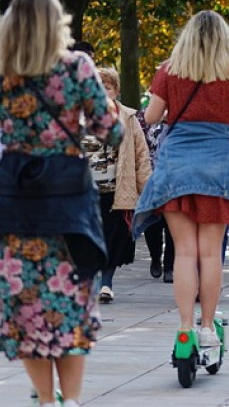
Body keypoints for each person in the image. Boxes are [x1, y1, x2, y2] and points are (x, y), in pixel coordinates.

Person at [0, 0, 122, 407]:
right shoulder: (77, 68)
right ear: (58, 24)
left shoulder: (4, 71)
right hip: (69, 199)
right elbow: (113, 130)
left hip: (16, 201)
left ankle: (47, 403)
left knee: (27, 302)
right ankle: (69, 401)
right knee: (71, 298)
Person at [134, 10, 229, 348]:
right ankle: (207, 327)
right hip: (217, 168)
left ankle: (184, 327)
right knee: (210, 254)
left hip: (176, 166)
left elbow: (150, 117)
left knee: (183, 252)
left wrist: (176, 111)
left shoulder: (168, 71)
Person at [83, 68, 151, 304]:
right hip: (85, 191)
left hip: (117, 190)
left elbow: (142, 156)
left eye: (108, 87)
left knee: (114, 238)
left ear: (117, 91)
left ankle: (107, 284)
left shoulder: (128, 118)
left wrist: (147, 190)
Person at [137, 107, 175, 283]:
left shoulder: (180, 111)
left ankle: (169, 267)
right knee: (152, 224)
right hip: (149, 178)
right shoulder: (144, 116)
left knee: (174, 224)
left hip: (173, 178)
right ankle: (155, 258)